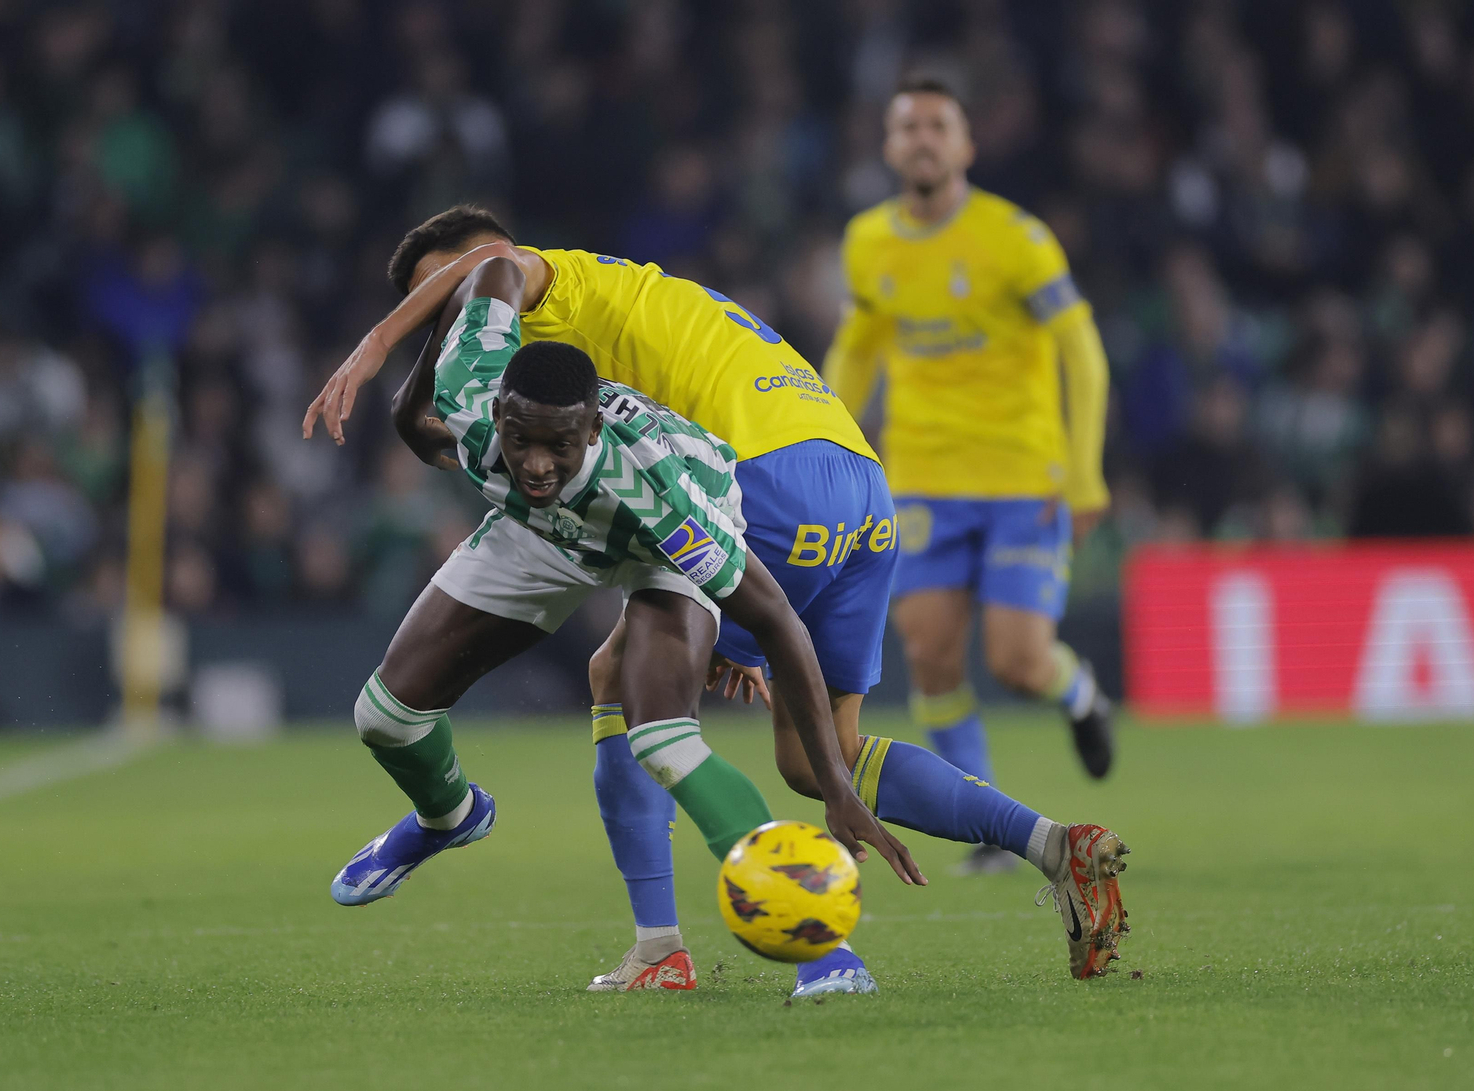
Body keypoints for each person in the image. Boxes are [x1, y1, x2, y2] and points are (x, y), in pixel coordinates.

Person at [304, 212, 1131, 991]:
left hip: (754, 480)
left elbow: (489, 275)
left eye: (443, 294)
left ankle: (669, 948)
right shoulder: (535, 365)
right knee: (818, 757)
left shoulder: (548, 290)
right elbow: (439, 424)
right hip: (851, 474)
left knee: (621, 683)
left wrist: (376, 343)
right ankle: (1052, 845)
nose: (446, 313)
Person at [325, 255, 927, 978]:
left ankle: (825, 954)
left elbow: (778, 624)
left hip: (646, 544)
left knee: (662, 737)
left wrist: (834, 786)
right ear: (497, 416)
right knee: (384, 718)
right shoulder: (473, 390)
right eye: (523, 441)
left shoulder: (658, 499)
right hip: (538, 530)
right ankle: (451, 816)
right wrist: (392, 359)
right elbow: (493, 270)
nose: (540, 462)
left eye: (561, 445)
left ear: (591, 429)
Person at [822, 75, 1116, 874]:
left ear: (965, 146)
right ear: (888, 147)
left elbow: (1080, 351)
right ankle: (987, 821)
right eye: (907, 125)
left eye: (937, 125)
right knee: (930, 653)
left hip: (1024, 475)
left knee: (1019, 661)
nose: (922, 137)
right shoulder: (867, 242)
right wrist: (819, 444)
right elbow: (858, 350)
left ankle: (1080, 693)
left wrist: (1084, 474)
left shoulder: (1015, 239)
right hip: (920, 477)